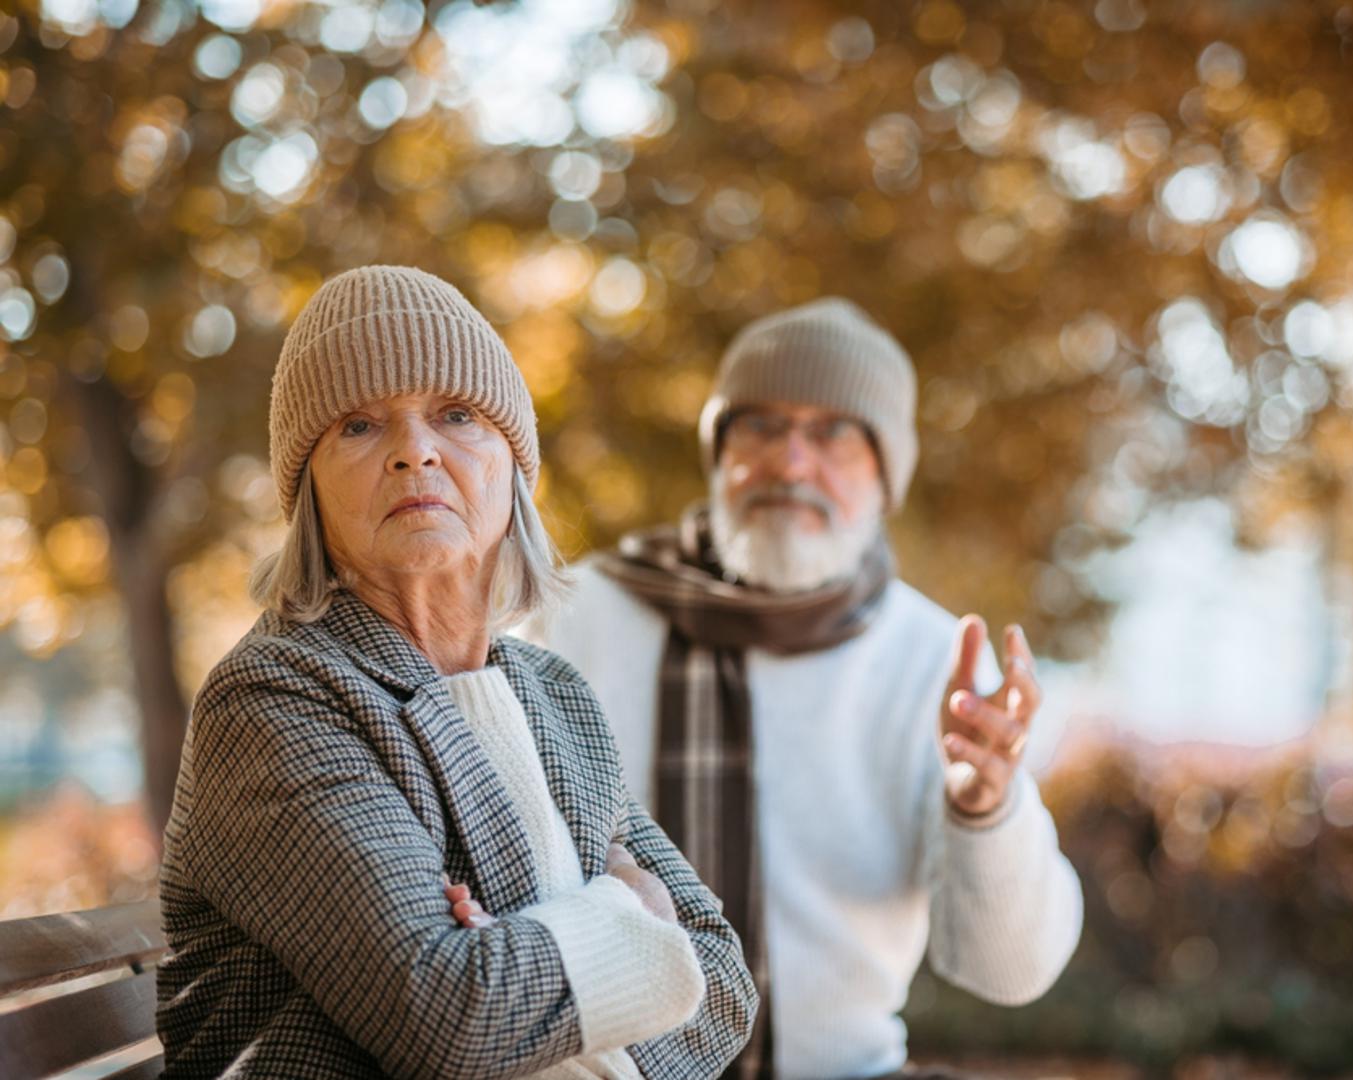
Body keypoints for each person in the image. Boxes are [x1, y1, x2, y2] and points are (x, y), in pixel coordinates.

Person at [156, 266, 756, 1078]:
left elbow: (723, 984)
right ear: (310, 493)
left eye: (457, 414)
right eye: (360, 427)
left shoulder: (557, 697)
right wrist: (631, 913)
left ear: (512, 464)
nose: (414, 453)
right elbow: (450, 1018)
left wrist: (521, 957)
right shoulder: (273, 700)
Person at [529, 298, 1083, 1079]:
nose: (791, 463)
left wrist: (985, 806)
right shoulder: (575, 619)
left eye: (831, 434)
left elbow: (1011, 972)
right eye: (760, 426)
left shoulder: (937, 661)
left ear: (885, 475)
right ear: (719, 452)